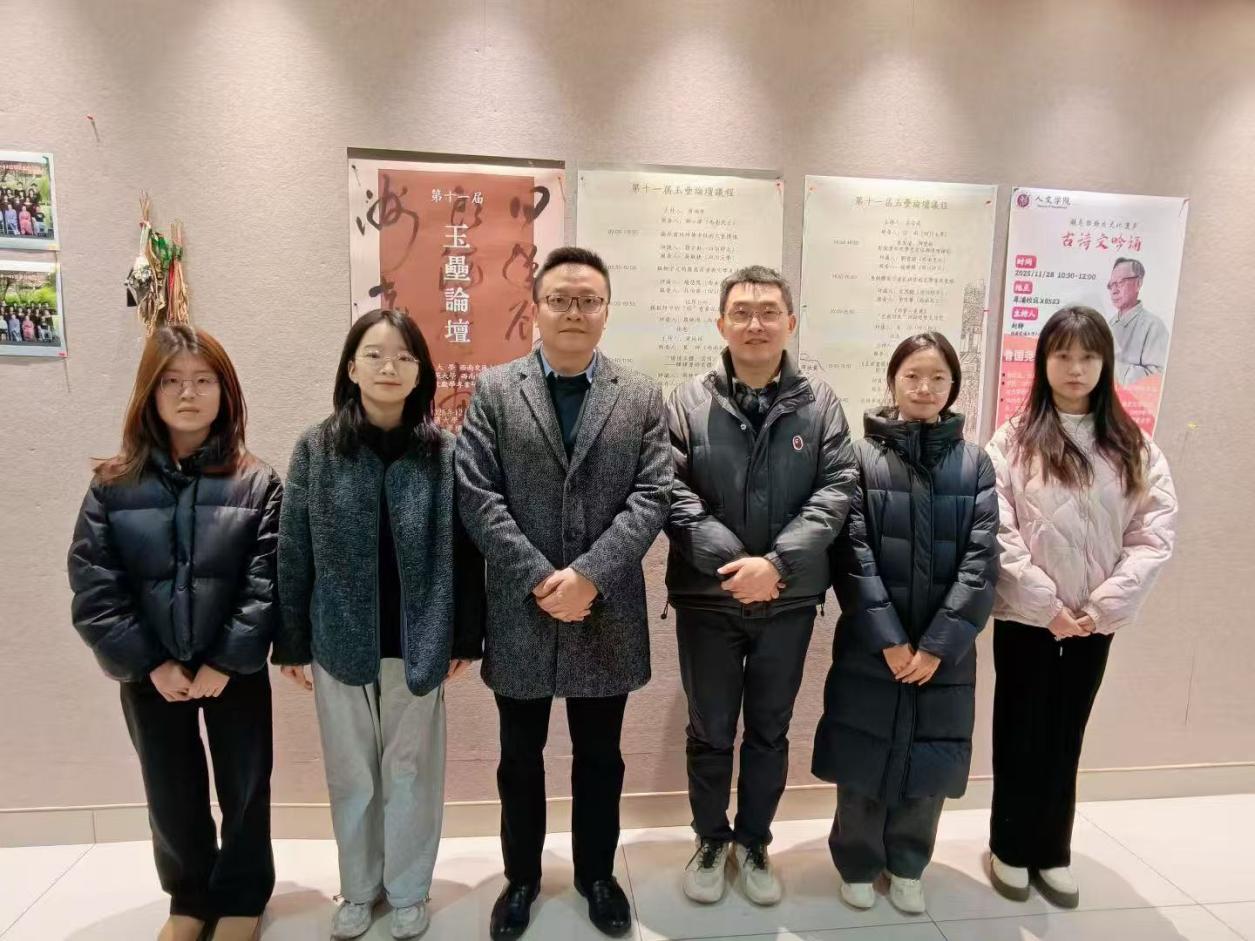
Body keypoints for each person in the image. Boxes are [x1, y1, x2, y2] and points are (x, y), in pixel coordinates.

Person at [455, 246, 671, 941]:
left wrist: (589, 575)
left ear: (606, 310)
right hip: (521, 608)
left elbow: (652, 494)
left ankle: (596, 875)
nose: (574, 312)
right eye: (560, 299)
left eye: (588, 300)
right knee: (518, 757)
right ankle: (520, 877)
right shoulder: (496, 390)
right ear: (536, 307)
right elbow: (477, 493)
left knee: (600, 756)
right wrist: (539, 577)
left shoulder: (640, 394)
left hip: (605, 608)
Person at [275, 308, 486, 941]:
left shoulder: (444, 453)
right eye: (374, 354)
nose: (388, 366)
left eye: (403, 356)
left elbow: (465, 549)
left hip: (420, 641)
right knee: (352, 773)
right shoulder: (317, 449)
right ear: (351, 367)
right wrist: (291, 642)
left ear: (420, 372)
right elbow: (293, 549)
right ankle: (360, 888)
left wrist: (464, 636)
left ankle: (409, 889)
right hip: (337, 640)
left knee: (411, 772)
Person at [67, 325, 281, 941]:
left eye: (203, 380)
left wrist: (227, 659)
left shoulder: (257, 482)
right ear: (149, 393)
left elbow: (267, 581)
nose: (189, 394)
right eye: (172, 382)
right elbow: (95, 585)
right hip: (150, 672)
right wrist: (149, 663)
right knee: (169, 787)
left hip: (232, 670)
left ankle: (242, 897)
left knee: (245, 785)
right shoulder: (112, 485)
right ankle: (188, 898)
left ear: (225, 392)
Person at [664, 265, 857, 906]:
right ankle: (709, 838)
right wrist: (735, 567)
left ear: (790, 323)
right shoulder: (685, 402)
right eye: (742, 312)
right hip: (707, 599)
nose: (755, 324)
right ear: (721, 323)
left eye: (769, 312)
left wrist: (774, 565)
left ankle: (753, 841)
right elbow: (669, 492)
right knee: (710, 729)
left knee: (770, 730)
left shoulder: (820, 404)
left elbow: (836, 491)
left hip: (789, 600)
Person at [986, 305, 1177, 908]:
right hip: (1028, 618)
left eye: (1088, 356)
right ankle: (1008, 846)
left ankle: (1052, 850)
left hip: (1094, 623)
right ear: (1043, 362)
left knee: (1067, 732)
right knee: (1019, 729)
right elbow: (996, 529)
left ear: (1106, 362)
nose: (1075, 368)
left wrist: (1099, 609)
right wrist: (1045, 604)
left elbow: (1153, 535)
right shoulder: (1013, 440)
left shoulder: (1134, 445)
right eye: (1063, 355)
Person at [811, 332, 998, 915]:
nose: (924, 387)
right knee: (864, 753)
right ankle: (857, 861)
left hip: (946, 651)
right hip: (873, 644)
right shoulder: (859, 458)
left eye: (938, 377)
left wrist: (939, 645)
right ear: (892, 380)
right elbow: (852, 554)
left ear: (953, 387)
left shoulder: (975, 463)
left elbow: (981, 561)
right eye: (912, 375)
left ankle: (910, 862)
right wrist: (889, 641)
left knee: (930, 757)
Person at [1106, 258, 1169, 385]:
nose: (1114, 290)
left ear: (1138, 283)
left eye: (1120, 282)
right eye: (1111, 285)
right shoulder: (1108, 324)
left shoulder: (1153, 326)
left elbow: (1157, 379)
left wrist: (1106, 367)